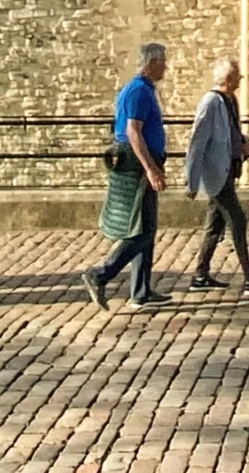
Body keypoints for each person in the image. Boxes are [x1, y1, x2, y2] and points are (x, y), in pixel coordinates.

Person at [83, 42, 171, 311]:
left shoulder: (142, 90)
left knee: (148, 227)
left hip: (140, 160)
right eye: (162, 62)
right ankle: (101, 274)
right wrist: (150, 168)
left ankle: (141, 291)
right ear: (151, 63)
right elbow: (133, 132)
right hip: (135, 164)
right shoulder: (137, 92)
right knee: (141, 229)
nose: (166, 67)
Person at [184, 58, 249, 295]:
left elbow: (229, 133)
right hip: (217, 173)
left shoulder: (230, 101)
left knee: (214, 225)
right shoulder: (211, 102)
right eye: (237, 76)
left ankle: (200, 274)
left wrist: (244, 143)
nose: (241, 79)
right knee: (237, 220)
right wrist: (191, 180)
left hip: (228, 171)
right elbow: (197, 141)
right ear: (228, 78)